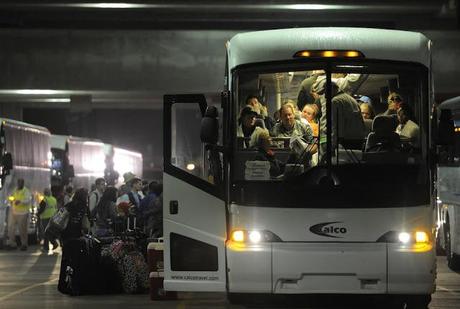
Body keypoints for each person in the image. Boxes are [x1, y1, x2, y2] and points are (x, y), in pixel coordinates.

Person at [312, 78, 365, 161]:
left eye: (326, 92)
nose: (325, 96)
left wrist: (330, 149)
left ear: (333, 89)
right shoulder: (351, 99)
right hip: (358, 142)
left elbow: (336, 128)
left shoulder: (335, 101)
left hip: (346, 144)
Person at [58, 188, 91, 295]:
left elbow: (58, 220)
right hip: (76, 238)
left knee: (65, 262)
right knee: (76, 263)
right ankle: (74, 287)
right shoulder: (83, 207)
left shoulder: (67, 206)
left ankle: (62, 285)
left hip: (66, 238)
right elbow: (85, 225)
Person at [5, 178, 33, 251]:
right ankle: (12, 243)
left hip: (23, 213)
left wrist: (20, 201)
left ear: (23, 183)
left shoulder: (26, 191)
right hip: (14, 211)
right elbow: (10, 197)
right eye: (18, 183)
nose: (19, 184)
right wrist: (10, 199)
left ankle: (24, 244)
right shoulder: (15, 190)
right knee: (11, 227)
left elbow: (28, 200)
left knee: (22, 229)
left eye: (20, 183)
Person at [37, 188, 59, 252]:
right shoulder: (54, 199)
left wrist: (38, 214)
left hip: (45, 217)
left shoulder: (44, 199)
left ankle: (47, 247)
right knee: (50, 232)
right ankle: (53, 243)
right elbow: (56, 207)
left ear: (45, 193)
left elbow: (42, 209)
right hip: (53, 217)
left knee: (46, 233)